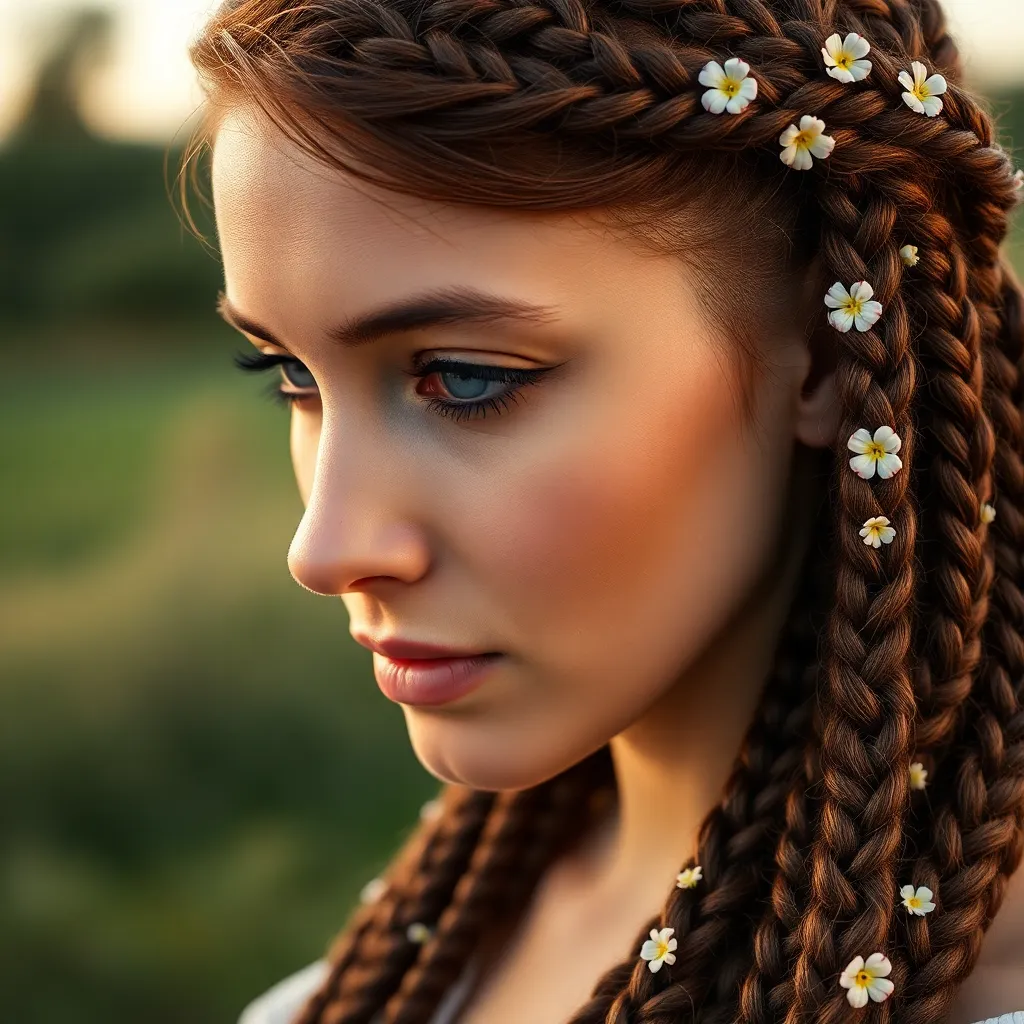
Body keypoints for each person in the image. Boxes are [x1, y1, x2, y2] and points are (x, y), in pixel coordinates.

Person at [176, 0, 1024, 1020]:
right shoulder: (415, 953)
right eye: (290, 376)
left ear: (836, 347)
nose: (326, 547)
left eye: (465, 378)